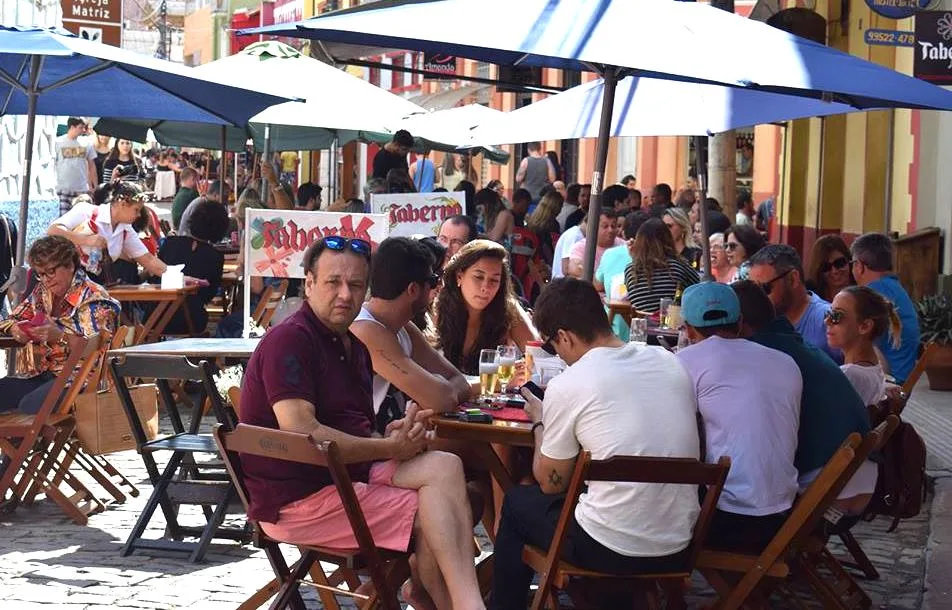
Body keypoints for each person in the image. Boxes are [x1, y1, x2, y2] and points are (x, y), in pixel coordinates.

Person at [239, 236, 484, 610]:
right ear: (308, 283)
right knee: (440, 517)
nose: (344, 295)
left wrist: (388, 434)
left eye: (354, 285)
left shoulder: (349, 342)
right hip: (299, 498)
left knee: (447, 466)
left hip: (346, 476)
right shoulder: (290, 340)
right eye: (332, 282)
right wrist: (388, 447)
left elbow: (351, 427)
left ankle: (457, 603)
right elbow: (305, 433)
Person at [492, 278, 701, 610]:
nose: (556, 353)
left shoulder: (569, 383)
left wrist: (541, 421)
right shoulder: (669, 361)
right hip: (678, 544)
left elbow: (549, 482)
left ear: (564, 337)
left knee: (519, 502)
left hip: (609, 548)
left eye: (551, 346)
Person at [676, 282, 801, 553]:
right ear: (740, 321)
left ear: (687, 329)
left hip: (729, 518)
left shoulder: (685, 361)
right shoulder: (786, 362)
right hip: (785, 514)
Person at [733, 280, 874, 515]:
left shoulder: (762, 356)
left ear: (739, 323)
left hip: (830, 491)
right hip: (859, 477)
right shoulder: (790, 341)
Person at [350, 237, 472, 432]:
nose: (437, 288)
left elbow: (460, 383)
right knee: (459, 447)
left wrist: (441, 389)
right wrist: (440, 389)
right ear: (413, 290)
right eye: (433, 281)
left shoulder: (403, 328)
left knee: (466, 442)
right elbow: (443, 400)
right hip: (363, 447)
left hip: (390, 438)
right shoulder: (365, 330)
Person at [0, 236, 119, 414]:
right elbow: (12, 318)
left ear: (70, 265)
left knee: (29, 406)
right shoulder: (43, 290)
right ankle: (19, 440)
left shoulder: (95, 298)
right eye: (40, 274)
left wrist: (60, 336)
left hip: (82, 379)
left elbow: (95, 348)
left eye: (50, 271)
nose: (46, 279)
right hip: (43, 373)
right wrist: (15, 328)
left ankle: (23, 441)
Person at [432, 240, 537, 375]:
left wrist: (522, 369)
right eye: (478, 277)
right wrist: (499, 381)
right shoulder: (436, 308)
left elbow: (537, 355)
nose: (485, 287)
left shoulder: (508, 309)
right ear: (459, 276)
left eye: (494, 280)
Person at [48, 181, 171, 282]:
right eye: (136, 210)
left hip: (95, 282)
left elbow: (148, 259)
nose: (139, 215)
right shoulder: (86, 211)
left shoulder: (125, 229)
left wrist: (178, 277)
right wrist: (86, 240)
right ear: (122, 204)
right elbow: (53, 230)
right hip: (65, 280)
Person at [748, 244, 842, 363]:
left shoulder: (827, 319)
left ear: (793, 279)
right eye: (753, 289)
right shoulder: (758, 321)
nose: (757, 297)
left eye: (764, 288)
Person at [148, 201, 229, 335]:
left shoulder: (169, 244)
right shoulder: (215, 256)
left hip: (156, 315)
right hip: (191, 319)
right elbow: (209, 294)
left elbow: (156, 278)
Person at [850, 233, 921, 385]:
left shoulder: (870, 294)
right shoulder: (895, 288)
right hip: (900, 382)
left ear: (860, 266)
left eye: (853, 263)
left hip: (886, 385)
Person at [624, 218, 700, 312]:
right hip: (673, 323)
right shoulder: (678, 267)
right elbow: (700, 288)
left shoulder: (630, 271)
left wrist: (635, 258)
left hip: (642, 324)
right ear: (667, 239)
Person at [595, 210, 649, 340]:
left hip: (611, 328)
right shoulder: (654, 258)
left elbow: (598, 285)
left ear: (623, 233)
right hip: (643, 331)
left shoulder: (609, 254)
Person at [55, 117, 97, 215]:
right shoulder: (58, 142)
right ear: (72, 127)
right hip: (63, 188)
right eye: (80, 127)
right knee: (63, 218)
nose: (83, 130)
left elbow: (92, 165)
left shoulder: (87, 143)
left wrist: (94, 185)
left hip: (81, 189)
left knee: (80, 218)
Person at [566, 209, 625, 279]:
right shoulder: (581, 246)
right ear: (594, 227)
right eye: (605, 226)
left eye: (613, 226)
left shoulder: (623, 246)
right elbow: (574, 268)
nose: (610, 230)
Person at [806, 234, 854, 303]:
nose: (834, 271)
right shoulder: (810, 294)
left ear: (849, 260)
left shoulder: (862, 289)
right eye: (826, 267)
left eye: (839, 263)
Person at [526, 190, 563, 265]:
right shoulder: (553, 225)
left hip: (531, 261)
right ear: (556, 207)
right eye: (560, 206)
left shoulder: (531, 220)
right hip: (546, 263)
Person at [171, 167, 200, 232]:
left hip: (178, 229)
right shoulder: (192, 193)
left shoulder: (179, 193)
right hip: (187, 231)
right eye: (197, 180)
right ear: (192, 179)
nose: (198, 183)